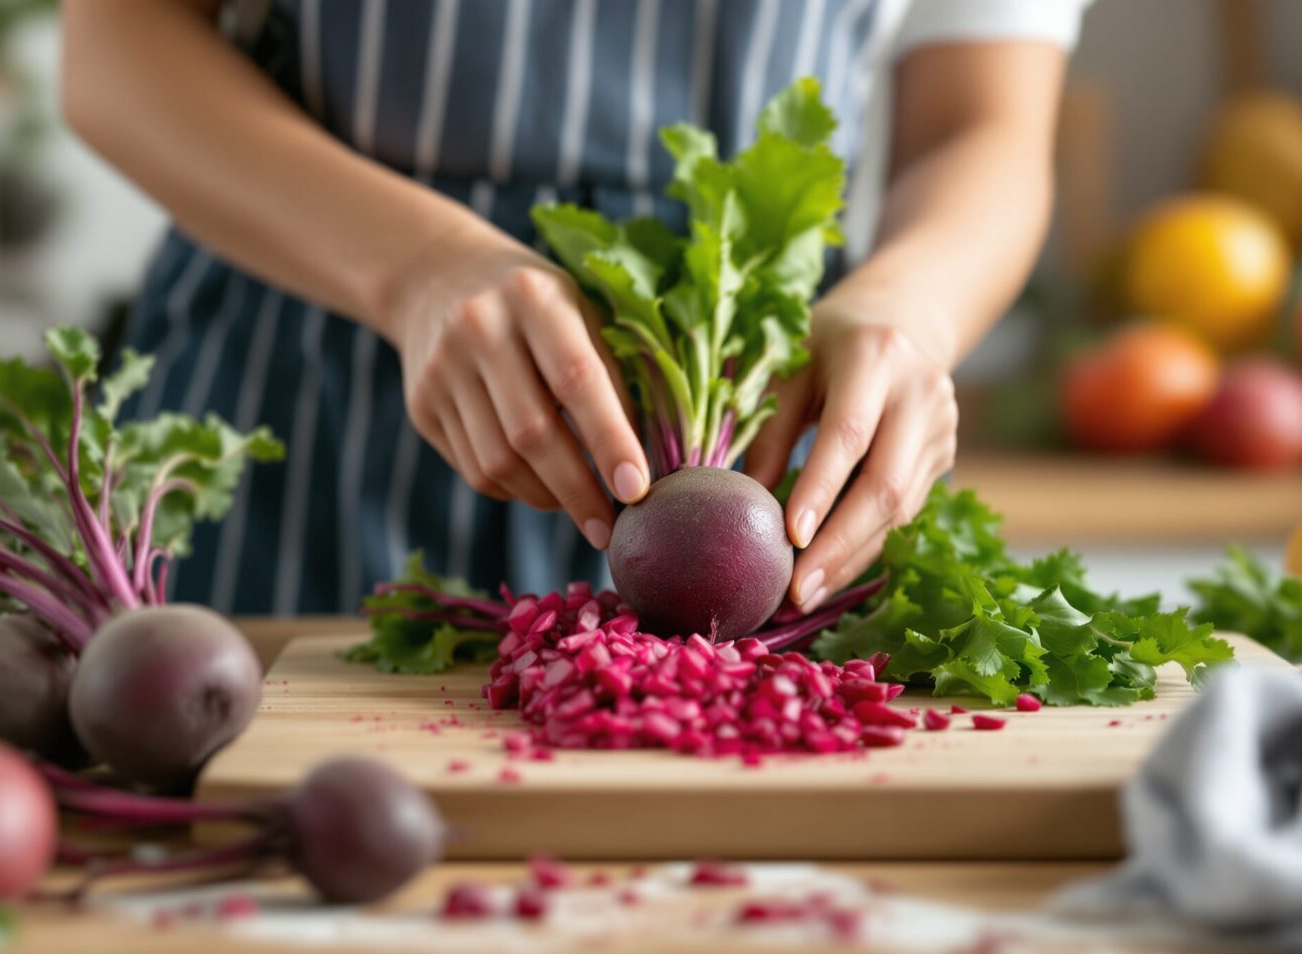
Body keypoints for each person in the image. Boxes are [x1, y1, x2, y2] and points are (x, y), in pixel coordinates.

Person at [63, 0, 1087, 615]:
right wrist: (417, 266)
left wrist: (912, 306)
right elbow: (116, 46)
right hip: (308, 351)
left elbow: (981, 127)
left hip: (762, 423)